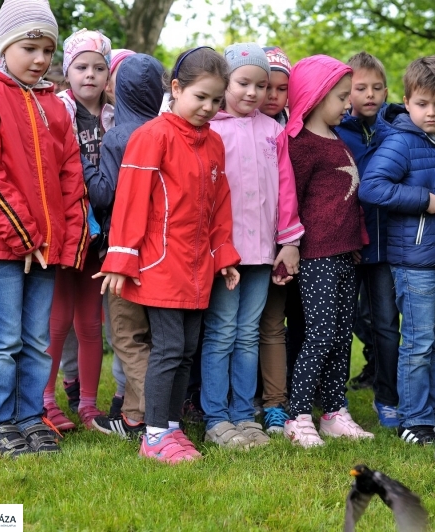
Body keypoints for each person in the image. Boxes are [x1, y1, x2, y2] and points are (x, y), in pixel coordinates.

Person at [0, 0, 89, 457]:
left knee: (36, 340)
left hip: (44, 247)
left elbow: (71, 176)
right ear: (4, 47)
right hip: (1, 243)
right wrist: (24, 235)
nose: (41, 59)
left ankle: (30, 417)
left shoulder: (55, 106)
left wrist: (66, 241)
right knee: (3, 338)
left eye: (48, 50)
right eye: (30, 48)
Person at [95, 46, 241, 464]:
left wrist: (224, 256)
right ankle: (155, 436)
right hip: (159, 264)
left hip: (198, 267)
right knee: (169, 348)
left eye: (216, 100)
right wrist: (121, 259)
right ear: (176, 89)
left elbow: (219, 204)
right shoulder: (151, 136)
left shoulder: (214, 143)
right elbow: (130, 201)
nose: (208, 107)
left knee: (187, 350)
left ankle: (171, 427)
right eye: (201, 96)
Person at [359, 54, 435, 445]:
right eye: (422, 104)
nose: (431, 112)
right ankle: (413, 421)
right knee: (418, 344)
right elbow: (371, 187)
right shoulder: (401, 141)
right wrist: (421, 199)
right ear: (407, 101)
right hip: (414, 264)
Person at [201, 43, 303, 449]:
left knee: (247, 333)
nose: (253, 92)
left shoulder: (273, 131)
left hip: (261, 252)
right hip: (225, 253)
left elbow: (286, 190)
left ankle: (244, 415)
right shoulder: (210, 128)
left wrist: (288, 242)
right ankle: (216, 417)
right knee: (222, 331)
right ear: (225, 82)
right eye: (244, 83)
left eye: (261, 86)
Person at [283, 54, 374, 448]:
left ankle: (335, 412)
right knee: (319, 335)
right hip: (315, 256)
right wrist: (290, 245)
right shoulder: (301, 145)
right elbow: (290, 200)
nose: (348, 104)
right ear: (316, 96)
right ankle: (298, 415)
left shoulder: (338, 140)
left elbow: (347, 200)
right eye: (341, 96)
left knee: (340, 336)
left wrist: (356, 241)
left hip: (344, 253)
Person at [88, 54, 164, 439]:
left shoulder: (118, 136)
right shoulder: (166, 131)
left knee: (126, 335)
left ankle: (157, 416)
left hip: (122, 251)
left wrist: (85, 165)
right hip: (160, 252)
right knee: (152, 335)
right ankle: (132, 417)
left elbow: (105, 194)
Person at [43, 28, 111, 431]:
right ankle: (45, 401)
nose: (90, 75)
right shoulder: (56, 109)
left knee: (90, 322)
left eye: (99, 68)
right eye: (81, 67)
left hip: (103, 235)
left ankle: (87, 404)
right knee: (58, 320)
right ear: (68, 71)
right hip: (68, 228)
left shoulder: (115, 114)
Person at [335, 51, 401, 428]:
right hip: (348, 247)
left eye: (377, 88)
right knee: (341, 325)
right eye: (360, 88)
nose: (370, 95)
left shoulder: (395, 134)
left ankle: (387, 397)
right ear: (346, 92)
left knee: (387, 324)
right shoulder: (336, 133)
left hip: (386, 247)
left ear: (386, 92)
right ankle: (335, 399)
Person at [256, 44, 295, 433]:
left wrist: (290, 242)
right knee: (232, 327)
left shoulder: (291, 130)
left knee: (272, 324)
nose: (270, 95)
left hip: (283, 245)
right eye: (264, 85)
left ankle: (275, 403)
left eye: (281, 89)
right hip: (241, 248)